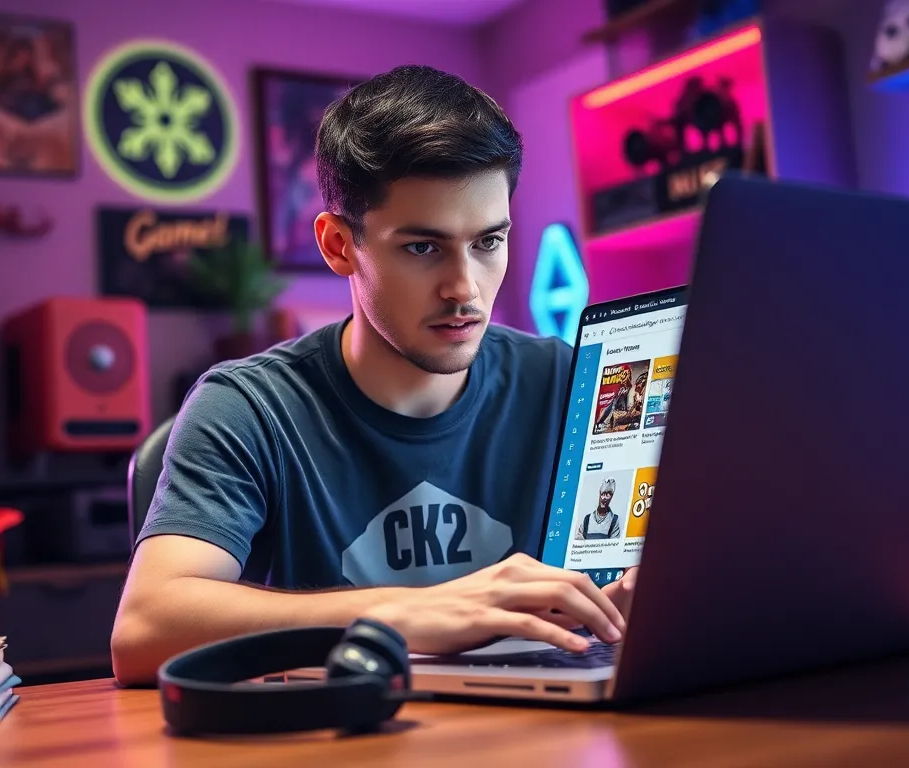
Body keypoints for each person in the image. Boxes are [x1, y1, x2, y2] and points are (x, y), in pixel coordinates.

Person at [111, 65, 638, 686]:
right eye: (423, 247)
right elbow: (144, 631)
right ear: (338, 246)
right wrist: (408, 612)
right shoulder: (247, 407)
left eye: (488, 242)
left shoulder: (575, 384)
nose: (464, 287)